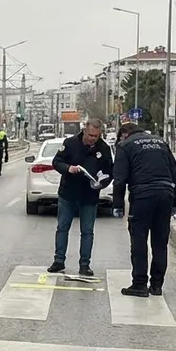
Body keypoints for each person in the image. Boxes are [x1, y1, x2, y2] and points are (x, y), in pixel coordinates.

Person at [110, 122, 176, 297]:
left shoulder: (125, 146)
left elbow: (119, 178)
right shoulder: (160, 142)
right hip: (166, 193)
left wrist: (118, 205)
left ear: (124, 134)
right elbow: (175, 174)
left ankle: (140, 284)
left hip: (142, 195)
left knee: (139, 240)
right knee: (160, 242)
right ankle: (157, 285)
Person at [47, 119, 113, 277]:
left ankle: (85, 264)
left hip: (89, 195)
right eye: (90, 135)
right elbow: (57, 162)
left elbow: (109, 171)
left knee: (87, 231)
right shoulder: (70, 143)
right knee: (63, 227)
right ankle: (59, 261)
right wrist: (68, 168)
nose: (92, 138)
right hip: (68, 193)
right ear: (84, 131)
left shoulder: (103, 148)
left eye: (96, 136)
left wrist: (102, 183)